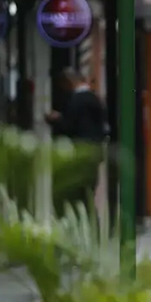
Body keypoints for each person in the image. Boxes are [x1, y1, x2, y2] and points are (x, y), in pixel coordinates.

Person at [44, 68, 108, 208]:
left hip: (80, 150)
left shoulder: (76, 100)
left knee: (79, 193)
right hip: (95, 150)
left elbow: (69, 126)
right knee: (90, 190)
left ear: (69, 82)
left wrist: (56, 119)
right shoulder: (95, 98)